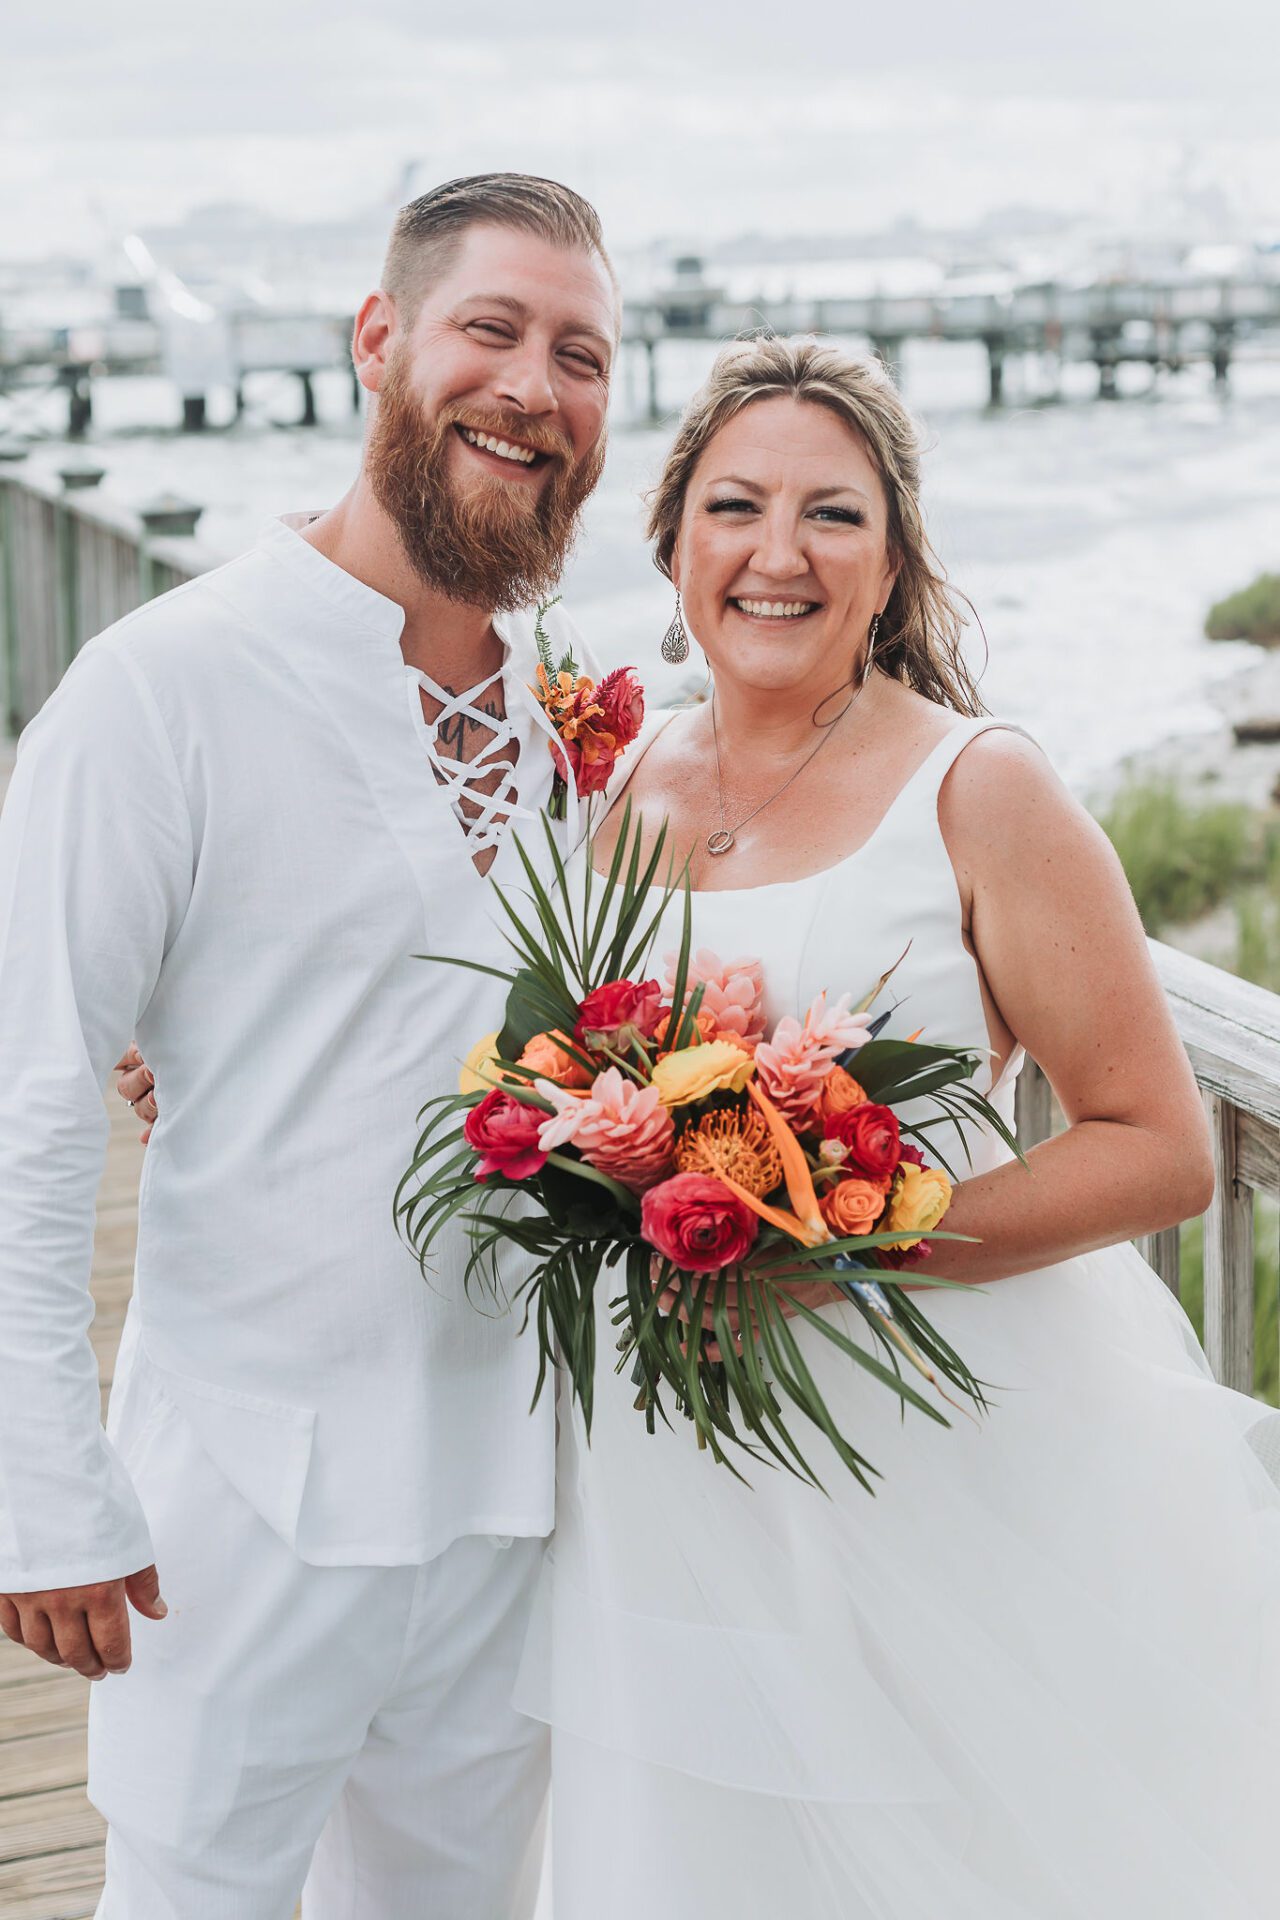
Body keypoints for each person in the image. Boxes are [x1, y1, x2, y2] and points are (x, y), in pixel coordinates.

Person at [511, 336, 1280, 1918]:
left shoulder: (980, 789)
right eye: (734, 506)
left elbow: (1158, 1141)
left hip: (926, 1447)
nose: (777, 554)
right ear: (670, 547)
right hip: (659, 1466)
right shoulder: (619, 779)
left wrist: (847, 1246)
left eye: (832, 517)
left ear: (895, 563)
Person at [0, 172, 617, 1918]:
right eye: (491, 328)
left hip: (512, 1493)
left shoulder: (571, 727)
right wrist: (41, 1496)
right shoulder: (159, 689)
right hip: (238, 1507)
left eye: (580, 354)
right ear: (379, 340)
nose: (534, 385)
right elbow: (31, 1096)